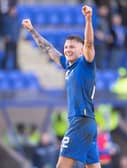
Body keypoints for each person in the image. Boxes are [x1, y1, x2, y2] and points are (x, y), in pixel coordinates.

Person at [22, 5, 101, 168]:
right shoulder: (68, 65)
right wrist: (32, 30)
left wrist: (88, 19)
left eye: (72, 47)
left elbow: (90, 44)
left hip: (80, 121)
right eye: (66, 47)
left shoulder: (85, 63)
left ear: (81, 50)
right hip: (87, 123)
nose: (67, 50)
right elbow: (48, 48)